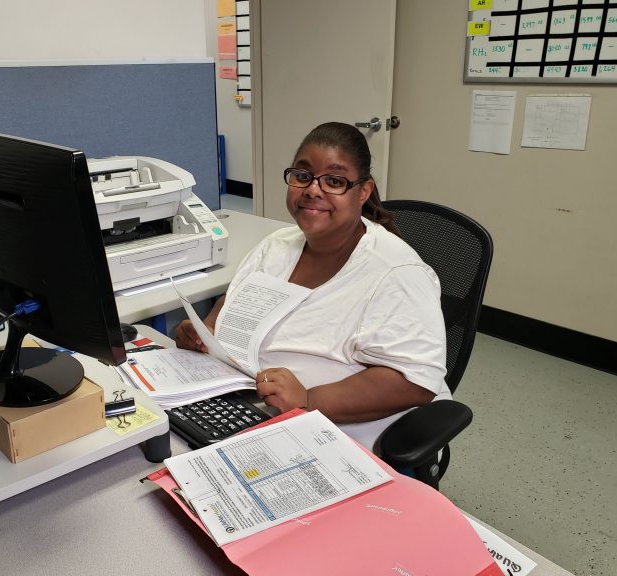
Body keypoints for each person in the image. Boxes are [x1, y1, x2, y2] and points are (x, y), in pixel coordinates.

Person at [175, 121, 449, 451]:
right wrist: (206, 332)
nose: (312, 190)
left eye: (334, 181)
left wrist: (308, 399)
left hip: (331, 436)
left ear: (363, 191)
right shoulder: (277, 245)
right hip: (244, 408)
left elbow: (414, 382)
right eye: (303, 176)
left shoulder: (397, 273)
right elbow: (231, 300)